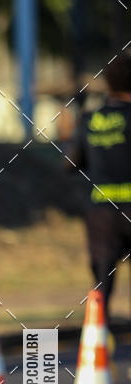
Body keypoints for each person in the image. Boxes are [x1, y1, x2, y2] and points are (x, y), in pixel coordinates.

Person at [67, 51, 131, 322]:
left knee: (102, 283)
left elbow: (69, 163)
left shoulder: (89, 119)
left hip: (100, 213)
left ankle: (99, 341)